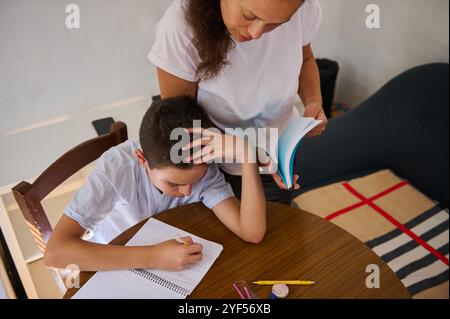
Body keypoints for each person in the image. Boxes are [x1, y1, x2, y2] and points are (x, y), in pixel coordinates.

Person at [44, 95, 266, 272]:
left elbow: (252, 232)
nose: (187, 191)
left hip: (173, 257)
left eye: (195, 180)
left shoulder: (201, 164)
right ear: (142, 160)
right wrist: (153, 257)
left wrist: (247, 155)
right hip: (114, 257)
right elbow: (56, 253)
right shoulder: (117, 167)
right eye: (174, 184)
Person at [148, 0, 328, 205]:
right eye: (250, 16)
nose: (256, 32)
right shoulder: (181, 27)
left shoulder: (303, 8)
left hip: (276, 156)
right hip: (211, 168)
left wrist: (313, 102)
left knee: (276, 229)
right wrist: (248, 153)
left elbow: (305, 58)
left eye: (277, 24)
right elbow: (179, 120)